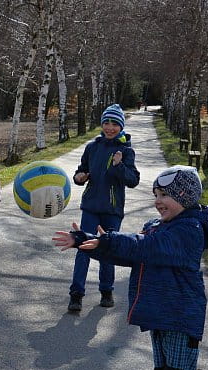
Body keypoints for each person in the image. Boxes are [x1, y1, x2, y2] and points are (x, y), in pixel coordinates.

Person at [53, 165, 208, 370]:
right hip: (163, 319)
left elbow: (144, 248)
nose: (158, 201)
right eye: (156, 194)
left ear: (185, 196)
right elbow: (133, 254)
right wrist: (89, 242)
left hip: (180, 322)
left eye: (165, 195)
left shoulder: (187, 231)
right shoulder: (161, 226)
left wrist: (106, 240)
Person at [67, 104, 140, 312]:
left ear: (121, 126)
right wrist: (78, 178)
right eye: (106, 123)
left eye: (115, 124)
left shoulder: (125, 151)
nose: (109, 127)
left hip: (112, 210)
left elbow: (133, 180)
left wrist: (119, 166)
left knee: (108, 249)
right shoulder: (92, 147)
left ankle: (106, 291)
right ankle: (76, 295)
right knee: (83, 248)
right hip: (90, 206)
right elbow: (82, 171)